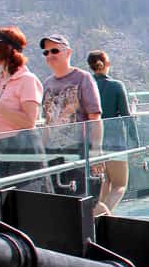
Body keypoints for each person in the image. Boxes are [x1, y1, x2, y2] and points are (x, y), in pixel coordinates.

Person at [0, 27, 45, 189]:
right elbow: (0, 122)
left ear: (5, 49)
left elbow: (28, 121)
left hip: (21, 155)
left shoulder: (27, 80)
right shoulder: (0, 80)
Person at [38, 35, 103, 197]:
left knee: (87, 205)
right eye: (46, 52)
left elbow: (95, 117)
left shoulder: (83, 79)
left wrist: (96, 151)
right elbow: (48, 122)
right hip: (54, 155)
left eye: (54, 51)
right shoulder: (47, 83)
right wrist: (41, 153)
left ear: (68, 53)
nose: (50, 55)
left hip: (79, 154)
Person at [88, 50, 138, 215]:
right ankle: (100, 219)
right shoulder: (116, 86)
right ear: (106, 64)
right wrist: (135, 141)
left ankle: (97, 217)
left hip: (93, 143)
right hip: (115, 141)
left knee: (104, 182)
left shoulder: (86, 85)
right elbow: (126, 115)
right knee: (119, 184)